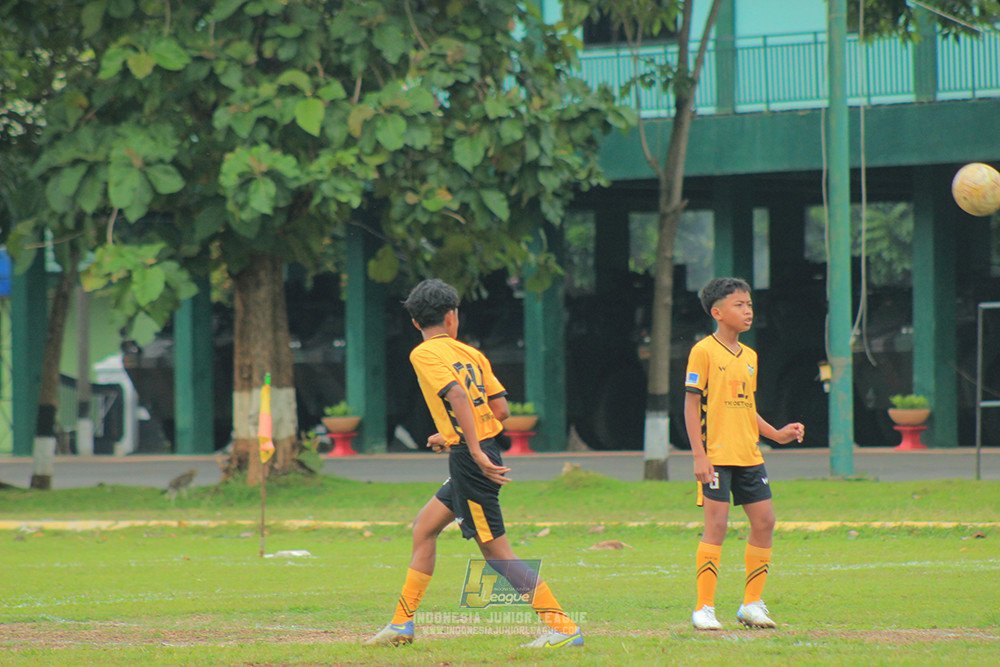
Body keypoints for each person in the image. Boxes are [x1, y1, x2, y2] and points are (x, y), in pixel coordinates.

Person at [365, 279, 582, 649]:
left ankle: (562, 628)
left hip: (472, 460)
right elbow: (500, 409)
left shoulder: (423, 354)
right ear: (452, 316)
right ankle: (401, 624)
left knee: (496, 552)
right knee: (424, 528)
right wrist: (451, 435)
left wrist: (473, 448)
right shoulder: (472, 353)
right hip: (472, 452)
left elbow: (455, 394)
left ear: (416, 323)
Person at [683, 277, 804, 631]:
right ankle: (704, 608)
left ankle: (751, 604)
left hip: (749, 454)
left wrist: (775, 434)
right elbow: (692, 406)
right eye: (740, 305)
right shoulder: (703, 351)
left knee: (765, 522)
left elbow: (744, 406)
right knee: (716, 527)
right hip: (716, 455)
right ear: (718, 313)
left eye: (749, 304)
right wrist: (699, 456)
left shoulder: (750, 356)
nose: (748, 311)